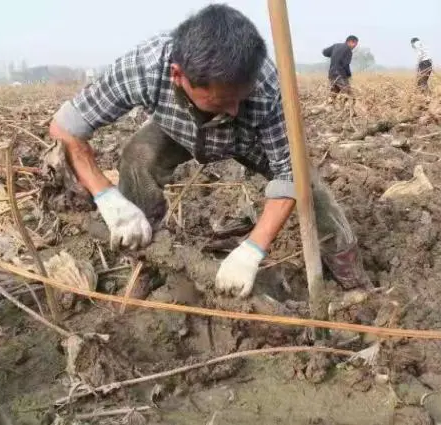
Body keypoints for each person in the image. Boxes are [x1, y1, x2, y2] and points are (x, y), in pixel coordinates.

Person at [49, 4, 371, 299]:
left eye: (240, 98)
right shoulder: (145, 67)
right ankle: (146, 254)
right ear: (178, 75)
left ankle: (351, 275)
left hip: (248, 138)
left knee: (308, 187)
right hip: (178, 130)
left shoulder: (269, 87)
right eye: (219, 101)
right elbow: (66, 128)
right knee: (137, 156)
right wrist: (107, 198)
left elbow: (289, 172)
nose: (232, 109)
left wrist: (254, 248)